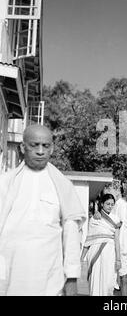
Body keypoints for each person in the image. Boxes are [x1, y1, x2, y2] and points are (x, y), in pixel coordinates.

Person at [0, 124, 86, 296]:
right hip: (9, 275)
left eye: (45, 146)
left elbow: (71, 237)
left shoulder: (63, 186)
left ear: (52, 148)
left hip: (49, 278)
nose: (40, 151)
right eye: (34, 145)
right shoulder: (5, 183)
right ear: (22, 147)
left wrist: (71, 280)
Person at [81, 194, 121, 296]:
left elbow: (117, 240)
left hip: (110, 253)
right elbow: (89, 239)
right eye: (108, 204)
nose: (110, 206)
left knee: (108, 282)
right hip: (95, 252)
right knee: (95, 280)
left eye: (112, 204)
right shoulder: (95, 219)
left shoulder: (116, 219)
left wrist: (118, 259)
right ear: (102, 204)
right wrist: (81, 258)